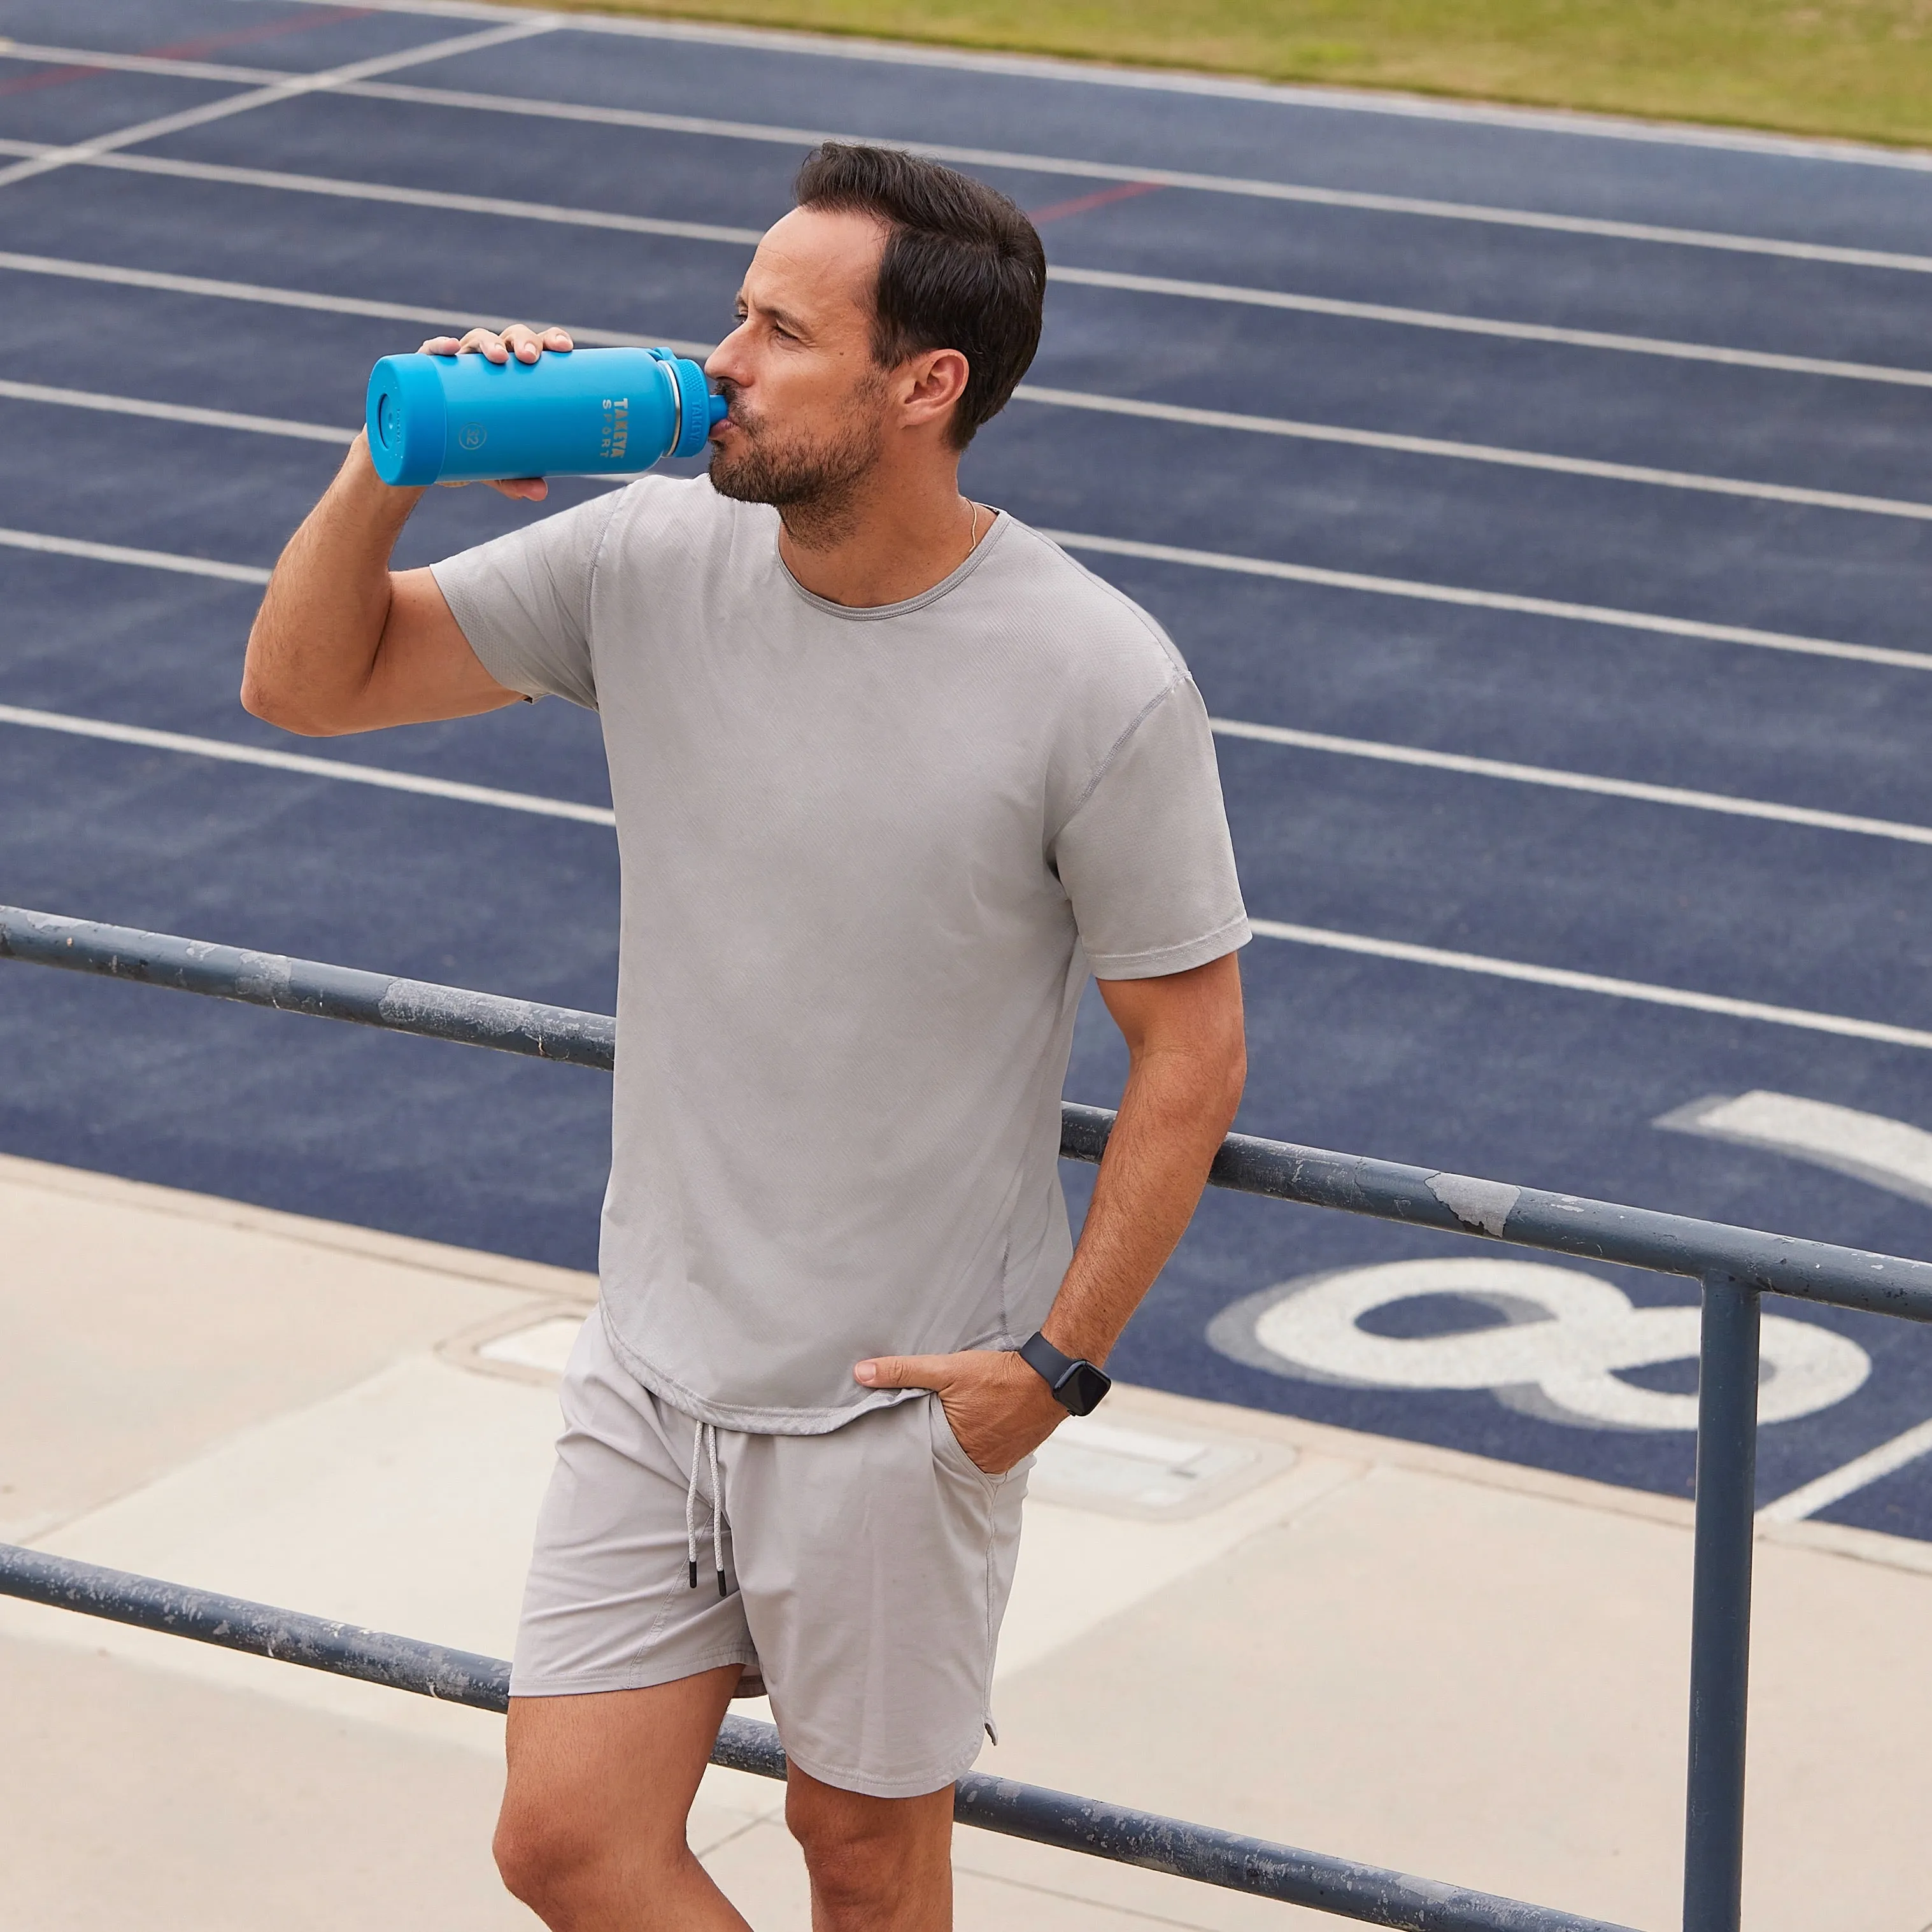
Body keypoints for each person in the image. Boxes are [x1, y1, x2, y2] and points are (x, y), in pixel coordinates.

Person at [242, 141, 1249, 1932]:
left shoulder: (1097, 675)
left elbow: (1192, 1044)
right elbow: (308, 684)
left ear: (924, 386)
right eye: (738, 310)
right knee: (564, 1845)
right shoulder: (652, 548)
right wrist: (390, 462)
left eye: (781, 330)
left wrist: (1057, 1367)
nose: (721, 356)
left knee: (867, 1872)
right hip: (654, 1358)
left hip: (893, 1408)